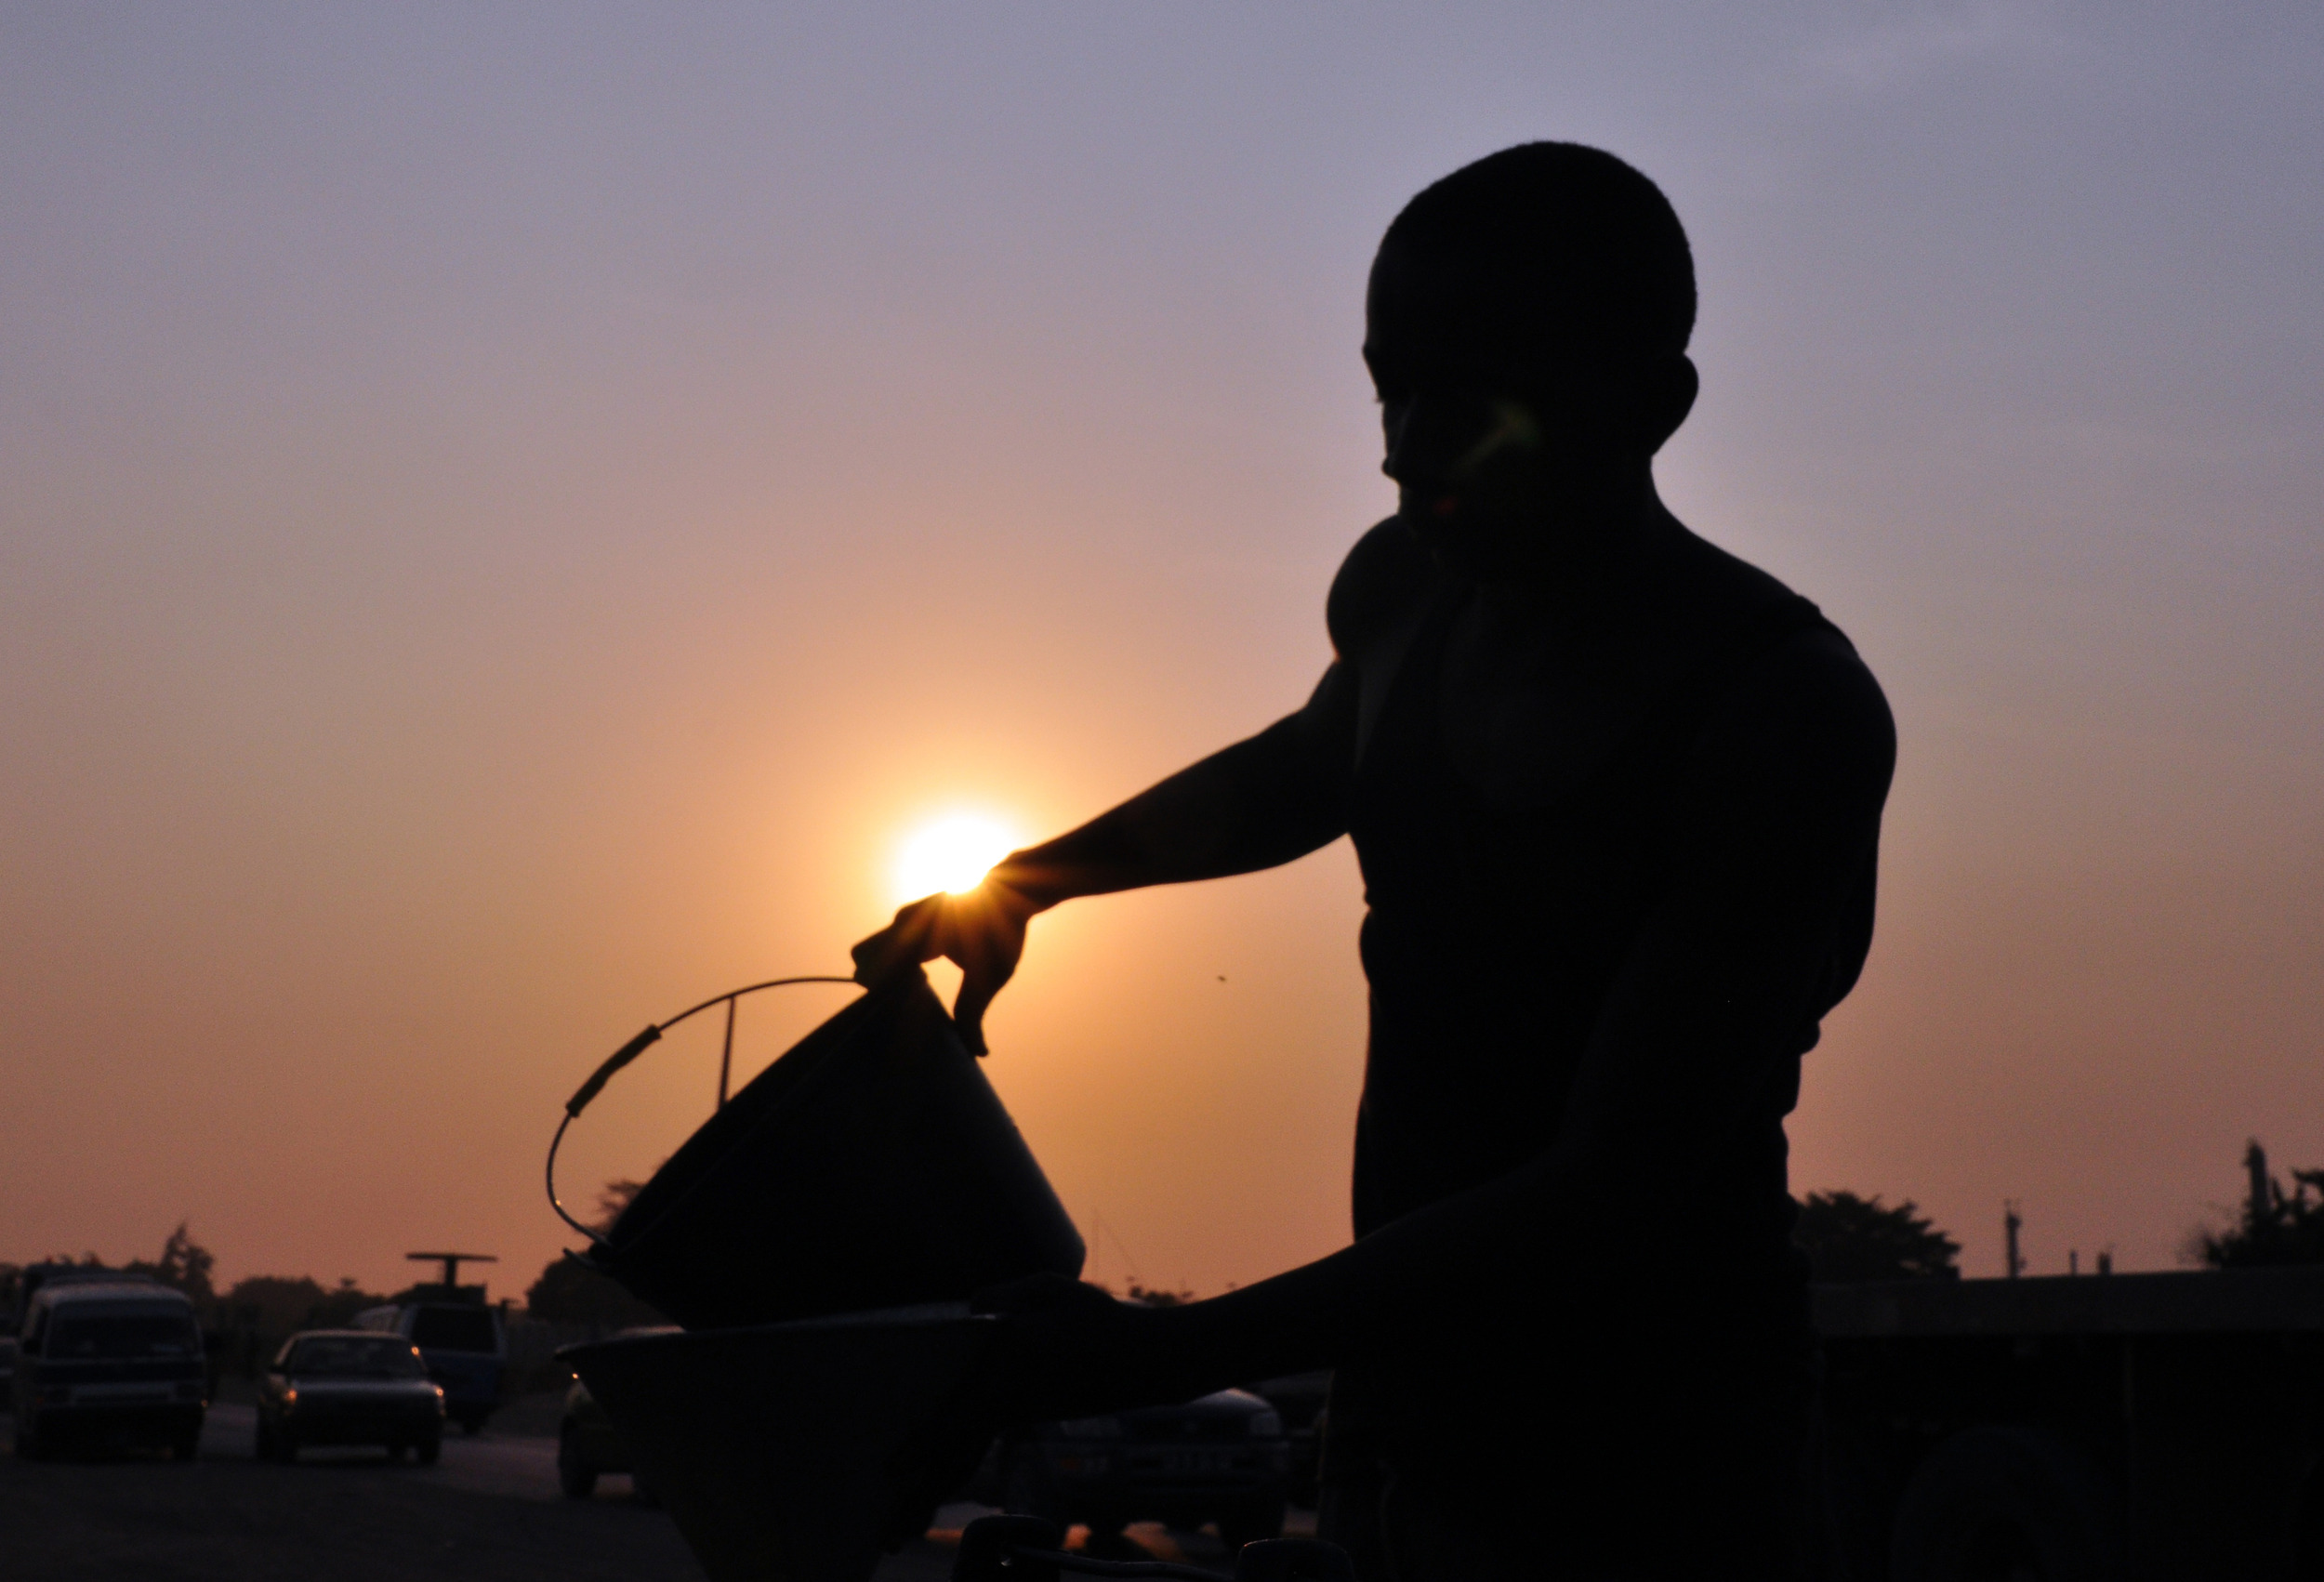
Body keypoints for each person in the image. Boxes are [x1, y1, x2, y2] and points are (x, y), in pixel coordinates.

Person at [855, 142, 1895, 1580]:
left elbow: (1608, 1187)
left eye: (1471, 398)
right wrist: (1029, 877)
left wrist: (1163, 1348)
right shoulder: (1407, 593)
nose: (1406, 441)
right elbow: (1309, 765)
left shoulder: (1781, 715)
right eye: (1386, 386)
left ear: (1652, 407)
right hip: (1399, 1418)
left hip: (1664, 1458)